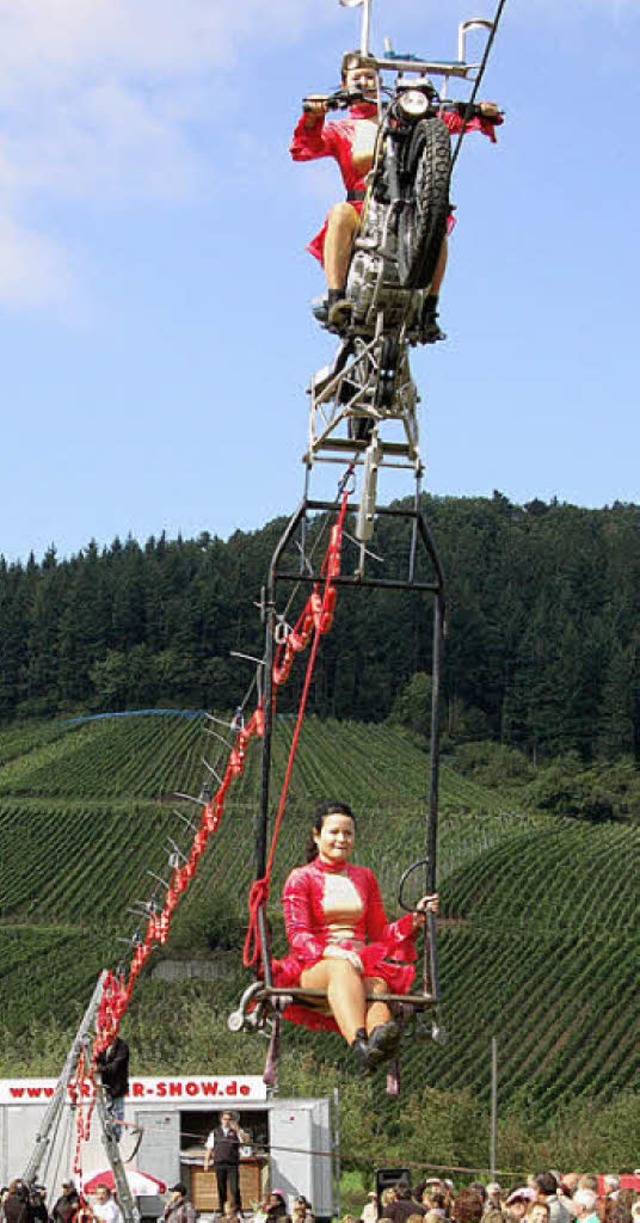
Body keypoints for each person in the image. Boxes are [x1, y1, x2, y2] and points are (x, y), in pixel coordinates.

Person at [290, 49, 502, 334]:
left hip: (407, 208)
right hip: (362, 208)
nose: (365, 82)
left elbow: (447, 122)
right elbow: (307, 147)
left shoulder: (401, 118)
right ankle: (336, 297)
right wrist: (314, 117)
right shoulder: (342, 128)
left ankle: (429, 307)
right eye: (358, 77)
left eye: (370, 75)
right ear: (345, 84)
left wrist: (478, 112)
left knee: (437, 221)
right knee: (339, 212)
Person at [271, 800, 438, 1073]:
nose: (341, 839)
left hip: (359, 964)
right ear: (317, 835)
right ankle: (358, 1044)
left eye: (348, 834)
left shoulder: (364, 877)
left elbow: (380, 932)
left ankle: (378, 1041)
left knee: (378, 986)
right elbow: (298, 935)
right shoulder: (301, 878)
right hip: (316, 964)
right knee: (342, 968)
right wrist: (334, 952)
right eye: (334, 832)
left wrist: (414, 920)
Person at [204, 1110, 250, 1213]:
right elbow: (209, 1148)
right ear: (221, 1120)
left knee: (234, 1188)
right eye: (225, 1119)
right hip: (219, 1163)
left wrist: (238, 1130)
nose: (227, 1121)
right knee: (221, 1188)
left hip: (232, 1164)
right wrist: (206, 1163)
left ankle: (238, 1209)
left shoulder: (235, 1132)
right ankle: (222, 1210)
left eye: (229, 1119)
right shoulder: (215, 1132)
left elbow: (246, 1141)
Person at [95, 1037, 129, 1142]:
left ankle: (116, 1134)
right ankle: (109, 1132)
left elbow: (116, 1066)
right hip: (106, 1085)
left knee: (117, 1110)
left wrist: (100, 1069)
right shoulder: (101, 1044)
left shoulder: (121, 1047)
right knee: (108, 1109)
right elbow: (98, 1059)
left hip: (118, 1085)